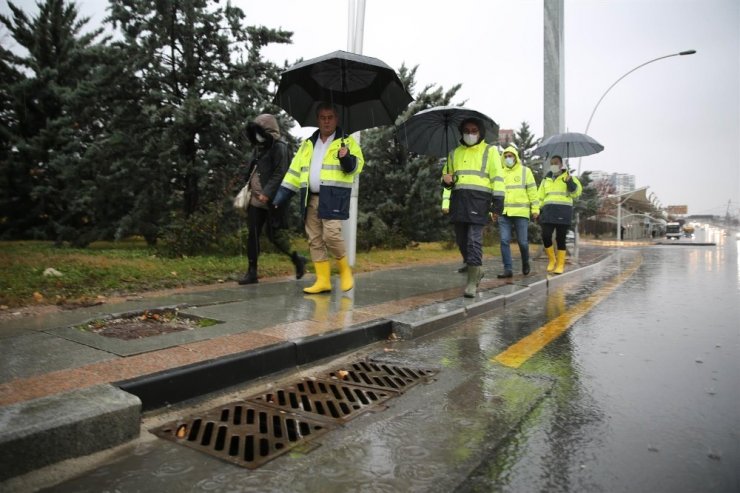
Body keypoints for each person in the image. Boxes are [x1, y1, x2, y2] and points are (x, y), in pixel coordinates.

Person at [273, 102, 364, 294]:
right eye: (323, 118)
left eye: (330, 117)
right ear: (318, 120)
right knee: (314, 239)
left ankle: (345, 270)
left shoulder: (346, 142)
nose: (327, 121)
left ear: (336, 119)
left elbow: (355, 168)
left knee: (331, 235)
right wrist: (280, 196)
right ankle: (323, 280)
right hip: (310, 198)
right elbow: (294, 172)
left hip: (333, 197)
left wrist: (346, 158)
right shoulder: (307, 144)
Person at [237, 114, 306, 285]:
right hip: (255, 199)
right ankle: (251, 272)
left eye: (260, 131)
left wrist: (267, 193)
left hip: (274, 199)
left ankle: (297, 259)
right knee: (252, 234)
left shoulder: (280, 147)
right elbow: (253, 167)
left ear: (269, 131)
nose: (257, 135)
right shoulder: (259, 147)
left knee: (273, 235)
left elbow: (280, 172)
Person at [442, 118, 503, 297]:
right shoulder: (454, 153)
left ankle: (471, 283)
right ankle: (476, 271)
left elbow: (498, 179)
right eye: (467, 130)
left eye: (474, 130)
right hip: (459, 202)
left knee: (473, 240)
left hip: (479, 202)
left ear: (480, 132)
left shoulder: (490, 151)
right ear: (462, 132)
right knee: (461, 241)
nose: (470, 133)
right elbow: (447, 181)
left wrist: (496, 206)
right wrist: (446, 181)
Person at [492, 145, 539, 278]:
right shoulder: (499, 172)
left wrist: (535, 209)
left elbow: (532, 191)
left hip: (521, 213)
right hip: (504, 212)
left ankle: (525, 262)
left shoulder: (526, 171)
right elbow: (495, 193)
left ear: (515, 157)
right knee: (504, 240)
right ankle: (508, 269)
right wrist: (493, 211)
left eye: (510, 156)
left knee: (523, 242)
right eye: (505, 156)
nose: (508, 158)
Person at [537, 155, 582, 274]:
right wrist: (536, 209)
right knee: (546, 236)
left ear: (561, 165)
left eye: (556, 163)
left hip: (563, 212)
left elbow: (576, 193)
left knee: (560, 238)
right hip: (548, 212)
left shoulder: (569, 178)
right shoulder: (546, 179)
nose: (553, 165)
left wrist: (570, 183)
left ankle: (560, 265)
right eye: (552, 163)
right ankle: (552, 260)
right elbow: (540, 196)